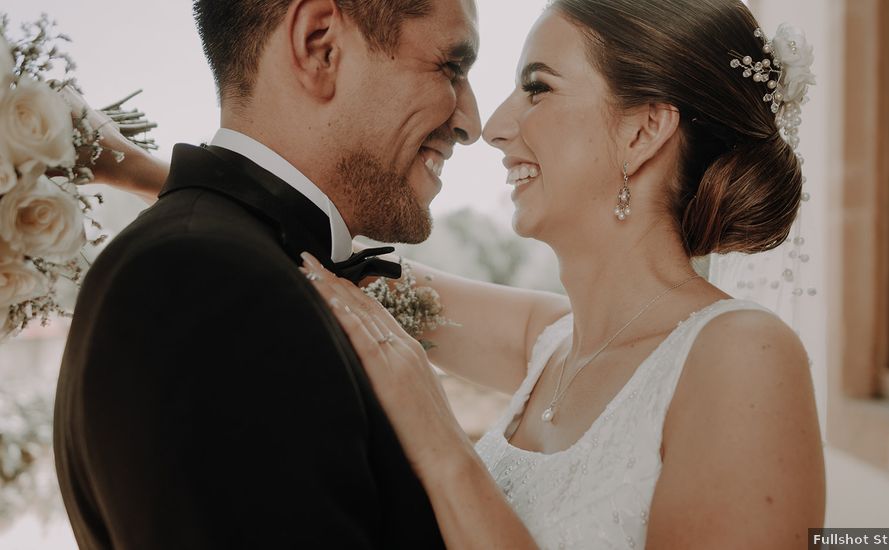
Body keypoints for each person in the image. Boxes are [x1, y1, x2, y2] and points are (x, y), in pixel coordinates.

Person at [84, 0, 826, 548]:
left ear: (642, 131)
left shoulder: (741, 357)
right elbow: (324, 261)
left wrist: (443, 450)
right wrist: (133, 167)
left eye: (537, 86)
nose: (493, 124)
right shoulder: (554, 346)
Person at [53, 0, 481, 548]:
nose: (470, 122)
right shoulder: (204, 286)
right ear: (319, 46)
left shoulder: (231, 261)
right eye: (450, 66)